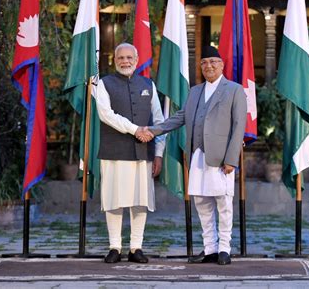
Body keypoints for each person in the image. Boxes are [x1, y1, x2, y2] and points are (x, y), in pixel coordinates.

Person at [142, 46, 247, 265]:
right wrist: (153, 130)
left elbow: (239, 126)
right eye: (204, 62)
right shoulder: (195, 90)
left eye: (213, 62)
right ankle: (210, 248)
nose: (209, 66)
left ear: (222, 64)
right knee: (201, 203)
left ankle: (225, 249)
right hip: (197, 155)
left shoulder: (234, 90)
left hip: (221, 158)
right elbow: (180, 117)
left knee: (224, 204)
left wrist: (231, 159)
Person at [96, 43, 165, 264]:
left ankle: (136, 247)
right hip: (113, 152)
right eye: (121, 58)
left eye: (129, 57)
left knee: (139, 201)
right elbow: (106, 115)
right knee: (114, 201)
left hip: (143, 153)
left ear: (136, 59)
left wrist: (159, 154)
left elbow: (159, 120)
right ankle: (115, 246)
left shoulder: (148, 84)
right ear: (114, 59)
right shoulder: (104, 84)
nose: (125, 61)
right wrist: (136, 129)